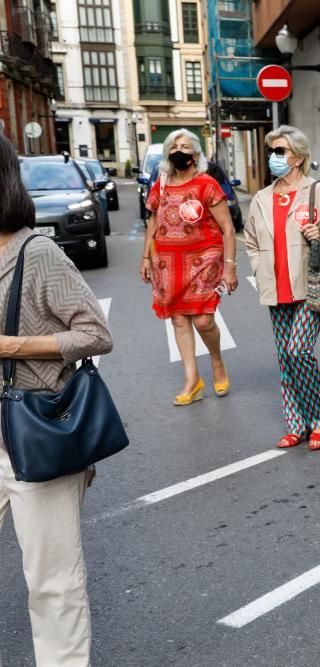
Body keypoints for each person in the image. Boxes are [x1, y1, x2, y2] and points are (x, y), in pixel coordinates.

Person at [0, 134, 113, 666]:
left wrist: (13, 347)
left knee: (51, 581)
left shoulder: (36, 252)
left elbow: (96, 334)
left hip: (34, 432)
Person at [244, 125, 320, 450]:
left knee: (299, 351)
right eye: (272, 151)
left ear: (297, 157)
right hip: (275, 287)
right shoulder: (262, 198)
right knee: (285, 357)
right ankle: (297, 424)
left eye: (279, 151)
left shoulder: (317, 192)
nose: (274, 157)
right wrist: (259, 268)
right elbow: (251, 241)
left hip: (311, 285)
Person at [140, 128, 238, 405]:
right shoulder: (161, 183)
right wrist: (146, 257)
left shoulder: (207, 184)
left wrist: (229, 267)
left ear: (196, 154)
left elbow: (228, 229)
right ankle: (191, 380)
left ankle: (217, 361)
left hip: (204, 259)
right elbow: (154, 222)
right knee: (179, 318)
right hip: (168, 262)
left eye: (184, 146)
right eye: (173, 147)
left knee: (204, 319)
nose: (178, 151)